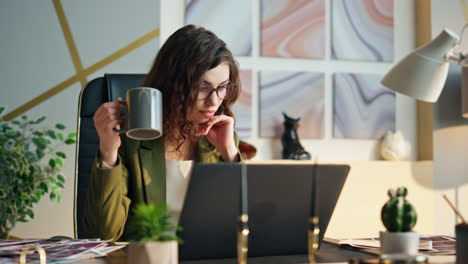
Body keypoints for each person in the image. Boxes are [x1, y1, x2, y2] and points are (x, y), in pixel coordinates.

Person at [83, 25, 242, 241]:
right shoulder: (131, 140)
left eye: (223, 87)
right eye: (202, 87)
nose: (214, 101)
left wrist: (229, 154)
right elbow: (103, 234)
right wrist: (109, 151)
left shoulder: (221, 136)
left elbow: (243, 229)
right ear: (174, 84)